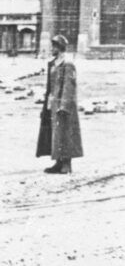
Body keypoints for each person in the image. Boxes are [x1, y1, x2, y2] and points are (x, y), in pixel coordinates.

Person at [38, 35, 83, 174]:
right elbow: (49, 86)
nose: (51, 49)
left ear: (60, 48)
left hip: (64, 105)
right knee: (55, 133)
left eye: (54, 46)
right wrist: (45, 105)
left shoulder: (67, 64)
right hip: (52, 104)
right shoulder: (52, 64)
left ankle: (67, 164)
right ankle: (58, 162)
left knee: (66, 133)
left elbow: (69, 87)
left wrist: (64, 106)